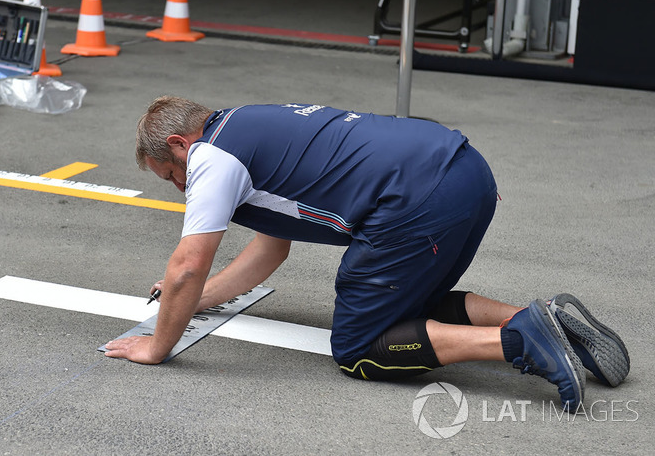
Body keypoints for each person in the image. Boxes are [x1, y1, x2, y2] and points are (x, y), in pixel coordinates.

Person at [105, 96, 630, 410]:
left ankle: (521, 340)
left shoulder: (211, 159)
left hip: (416, 198)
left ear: (178, 144)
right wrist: (201, 299)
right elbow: (271, 249)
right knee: (406, 311)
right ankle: (550, 322)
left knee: (359, 348)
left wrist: (159, 346)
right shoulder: (249, 123)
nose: (180, 187)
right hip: (465, 170)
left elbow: (186, 265)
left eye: (171, 177)